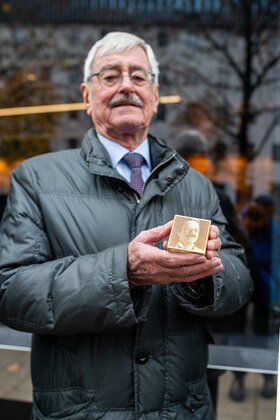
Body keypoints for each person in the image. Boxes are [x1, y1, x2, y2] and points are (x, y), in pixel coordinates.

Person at [0, 32, 253, 420]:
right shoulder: (35, 178)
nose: (126, 86)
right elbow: (12, 291)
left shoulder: (197, 185)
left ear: (154, 95)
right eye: (110, 75)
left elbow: (239, 276)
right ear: (86, 95)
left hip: (181, 410)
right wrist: (124, 272)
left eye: (138, 77)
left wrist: (204, 278)